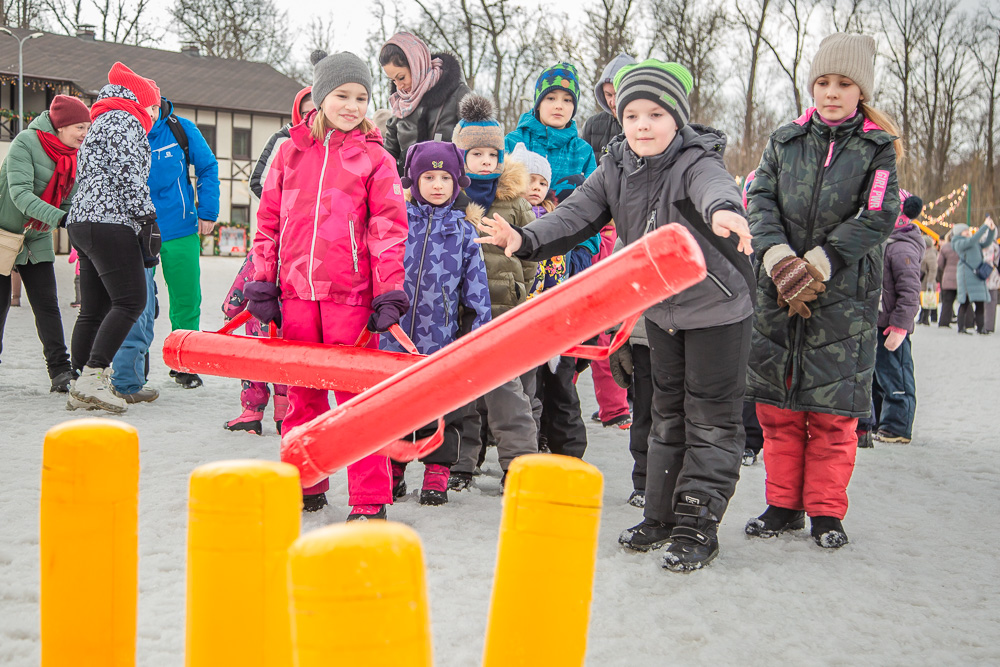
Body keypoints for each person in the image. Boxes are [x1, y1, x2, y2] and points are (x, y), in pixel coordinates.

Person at [476, 59, 755, 572]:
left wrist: (724, 212)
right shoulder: (618, 166)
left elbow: (715, 188)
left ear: (678, 119)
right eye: (632, 115)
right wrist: (524, 238)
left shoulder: (697, 160)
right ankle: (661, 514)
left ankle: (698, 524)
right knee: (666, 412)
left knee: (710, 418)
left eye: (655, 114)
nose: (643, 125)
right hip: (664, 306)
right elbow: (576, 213)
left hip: (718, 305)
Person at [744, 33, 901, 549]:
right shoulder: (784, 139)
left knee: (833, 415)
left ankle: (827, 513)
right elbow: (759, 198)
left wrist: (820, 261)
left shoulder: (877, 148)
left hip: (843, 298)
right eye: (823, 82)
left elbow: (879, 213)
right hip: (778, 290)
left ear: (861, 90)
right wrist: (777, 257)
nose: (831, 92)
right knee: (780, 407)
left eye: (844, 83)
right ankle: (782, 504)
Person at [246, 50, 408, 520]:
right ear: (320, 98)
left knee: (356, 399)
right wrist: (262, 281)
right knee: (301, 394)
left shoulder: (376, 159)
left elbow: (389, 229)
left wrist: (388, 291)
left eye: (361, 97)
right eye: (342, 95)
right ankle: (307, 481)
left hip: (350, 296)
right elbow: (268, 221)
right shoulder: (289, 153)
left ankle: (369, 498)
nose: (352, 105)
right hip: (295, 292)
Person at [381, 141, 491, 504]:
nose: (438, 185)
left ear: (457, 182)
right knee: (393, 407)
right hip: (393, 336)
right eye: (429, 176)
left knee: (440, 408)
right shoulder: (396, 221)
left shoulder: (463, 232)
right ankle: (392, 470)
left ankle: (437, 472)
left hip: (440, 338)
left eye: (445, 177)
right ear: (414, 180)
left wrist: (476, 335)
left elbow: (476, 290)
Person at [445, 97, 540, 491]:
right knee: (462, 391)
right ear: (460, 157)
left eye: (493, 154)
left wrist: (525, 287)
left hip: (504, 308)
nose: (486, 161)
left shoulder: (514, 201)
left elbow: (533, 249)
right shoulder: (451, 198)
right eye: (476, 154)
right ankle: (461, 463)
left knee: (507, 392)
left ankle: (519, 464)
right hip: (461, 311)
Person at [65, 62, 162, 413]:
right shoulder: (125, 120)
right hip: (110, 220)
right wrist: (147, 218)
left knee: (94, 309)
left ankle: (80, 384)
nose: (154, 114)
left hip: (84, 220)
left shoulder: (103, 120)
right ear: (140, 100)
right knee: (131, 300)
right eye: (153, 106)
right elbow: (128, 174)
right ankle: (93, 377)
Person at [0, 95, 90, 393]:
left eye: (87, 128)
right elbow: (21, 195)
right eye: (79, 127)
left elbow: (70, 198)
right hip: (2, 235)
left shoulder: (73, 155)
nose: (83, 134)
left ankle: (60, 371)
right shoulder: (25, 143)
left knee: (47, 306)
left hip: (35, 237)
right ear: (61, 125)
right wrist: (63, 220)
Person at [147, 95, 220, 389]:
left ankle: (185, 364)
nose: (149, 113)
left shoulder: (180, 128)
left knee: (186, 299)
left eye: (153, 106)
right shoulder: (126, 132)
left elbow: (207, 166)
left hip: (179, 228)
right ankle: (132, 366)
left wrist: (207, 210)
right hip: (137, 231)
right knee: (136, 301)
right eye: (143, 107)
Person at [871, 192, 924, 444]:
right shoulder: (884, 243)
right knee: (878, 375)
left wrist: (900, 327)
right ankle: (881, 419)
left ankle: (898, 425)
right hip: (877, 323)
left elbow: (910, 293)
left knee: (896, 375)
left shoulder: (902, 247)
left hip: (893, 326)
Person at [379, 32, 471, 175]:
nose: (399, 86)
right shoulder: (401, 105)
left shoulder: (458, 94)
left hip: (449, 187)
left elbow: (478, 144)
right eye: (393, 80)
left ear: (416, 64)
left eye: (401, 77)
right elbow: (388, 156)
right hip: (410, 189)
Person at [504, 62, 597, 201]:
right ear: (538, 104)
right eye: (551, 98)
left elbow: (595, 198)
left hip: (569, 221)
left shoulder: (583, 152)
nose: (559, 106)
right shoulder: (513, 141)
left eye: (567, 100)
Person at [221, 255, 288, 434]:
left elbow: (245, 276)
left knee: (254, 363)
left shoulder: (264, 247)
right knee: (287, 365)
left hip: (261, 317)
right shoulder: (304, 242)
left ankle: (251, 413)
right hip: (292, 317)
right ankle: (286, 413)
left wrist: (231, 309)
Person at [249, 87, 313, 200]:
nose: (312, 118)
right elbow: (258, 183)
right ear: (298, 113)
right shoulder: (283, 140)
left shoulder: (334, 141)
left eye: (317, 112)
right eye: (306, 113)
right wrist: (287, 210)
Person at [581, 53, 636, 164]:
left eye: (618, 94)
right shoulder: (592, 126)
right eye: (608, 95)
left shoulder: (646, 126)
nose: (613, 102)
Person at [952, 217, 998, 335]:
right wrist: (984, 226)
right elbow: (973, 240)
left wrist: (991, 230)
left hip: (976, 276)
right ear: (959, 233)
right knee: (965, 302)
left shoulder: (972, 241)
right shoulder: (959, 243)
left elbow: (986, 243)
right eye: (965, 231)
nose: (968, 233)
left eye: (968, 231)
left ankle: (981, 328)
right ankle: (961, 327)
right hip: (967, 276)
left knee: (979, 303)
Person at [937, 231, 960, 327]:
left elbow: (940, 263)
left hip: (948, 277)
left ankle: (944, 321)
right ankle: (968, 321)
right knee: (965, 301)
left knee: (947, 301)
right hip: (960, 276)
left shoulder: (945, 247)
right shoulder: (962, 246)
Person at [917, 235, 938, 325]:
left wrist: (930, 282)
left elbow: (933, 269)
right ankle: (922, 317)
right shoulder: (925, 252)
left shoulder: (930, 254)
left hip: (927, 280)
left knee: (927, 300)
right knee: (923, 300)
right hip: (923, 280)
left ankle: (925, 318)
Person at [983, 225, 1000, 333]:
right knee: (992, 300)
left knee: (981, 300)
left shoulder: (980, 245)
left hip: (981, 274)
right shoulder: (996, 246)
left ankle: (980, 322)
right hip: (993, 274)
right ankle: (989, 325)